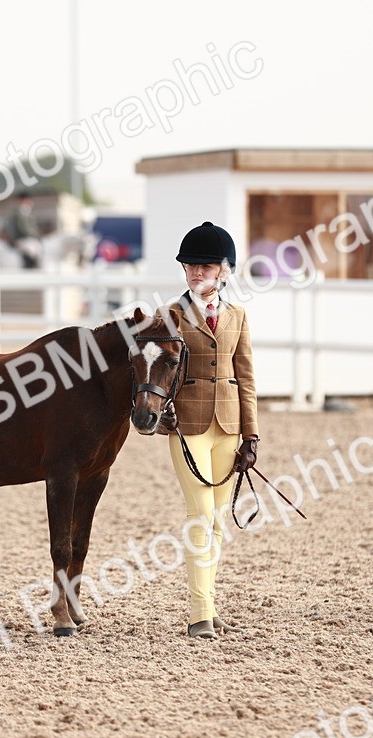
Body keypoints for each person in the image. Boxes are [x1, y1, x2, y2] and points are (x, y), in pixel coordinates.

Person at [155, 221, 260, 640]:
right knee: (199, 515)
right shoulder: (171, 316)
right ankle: (200, 614)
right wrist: (161, 411)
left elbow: (246, 376)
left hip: (229, 425)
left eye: (206, 266)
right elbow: (157, 370)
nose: (196, 273)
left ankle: (210, 608)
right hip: (189, 425)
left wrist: (251, 435)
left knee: (217, 520)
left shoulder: (237, 316)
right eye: (190, 266)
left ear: (225, 271)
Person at [6, 193, 41, 269]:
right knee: (30, 250)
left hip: (31, 238)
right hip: (22, 238)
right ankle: (28, 267)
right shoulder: (18, 213)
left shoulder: (29, 212)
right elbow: (22, 228)